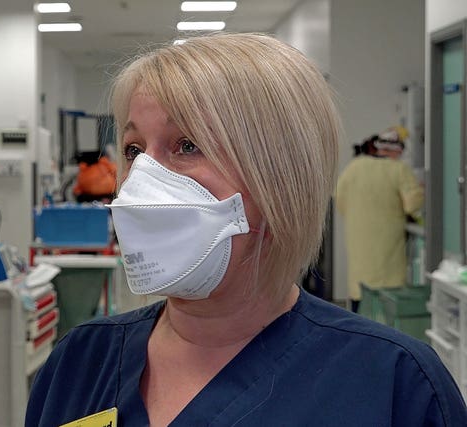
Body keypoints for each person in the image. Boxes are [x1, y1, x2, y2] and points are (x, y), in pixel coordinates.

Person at [25, 33, 465, 426]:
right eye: (134, 148)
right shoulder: (78, 364)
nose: (142, 179)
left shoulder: (394, 386)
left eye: (187, 145)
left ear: (281, 177)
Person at [336, 126, 424, 313]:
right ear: (397, 151)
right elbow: (412, 205)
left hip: (359, 243)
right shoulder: (399, 169)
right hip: (388, 251)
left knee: (360, 297)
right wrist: (421, 189)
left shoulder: (354, 167)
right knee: (386, 304)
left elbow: (339, 199)